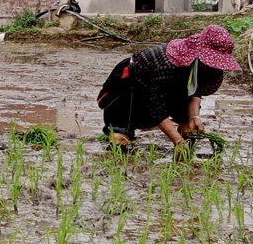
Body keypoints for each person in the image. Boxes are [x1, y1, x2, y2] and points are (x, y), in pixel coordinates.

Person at [97, 24, 241, 156]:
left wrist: (194, 118)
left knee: (189, 128)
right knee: (119, 141)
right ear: (200, 54)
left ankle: (184, 150)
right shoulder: (169, 64)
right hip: (129, 88)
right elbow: (156, 107)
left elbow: (195, 91)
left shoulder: (205, 68)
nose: (214, 67)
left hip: (164, 90)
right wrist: (177, 141)